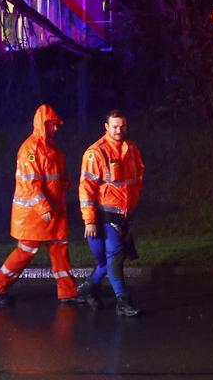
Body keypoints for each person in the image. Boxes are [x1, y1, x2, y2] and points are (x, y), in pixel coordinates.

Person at [0, 104, 84, 307]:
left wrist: (64, 184)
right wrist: (44, 207)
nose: (56, 128)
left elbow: (55, 175)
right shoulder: (30, 150)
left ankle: (68, 292)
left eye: (57, 125)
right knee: (26, 251)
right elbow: (31, 183)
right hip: (35, 215)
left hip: (52, 211)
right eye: (53, 125)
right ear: (43, 124)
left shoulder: (49, 146)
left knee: (59, 249)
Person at [75, 109, 145, 317]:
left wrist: (132, 201)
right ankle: (122, 301)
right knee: (115, 255)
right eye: (114, 126)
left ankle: (89, 287)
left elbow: (138, 175)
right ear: (106, 127)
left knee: (109, 260)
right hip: (104, 216)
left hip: (124, 215)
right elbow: (86, 188)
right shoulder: (95, 152)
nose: (118, 130)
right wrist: (89, 220)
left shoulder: (131, 148)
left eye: (122, 126)